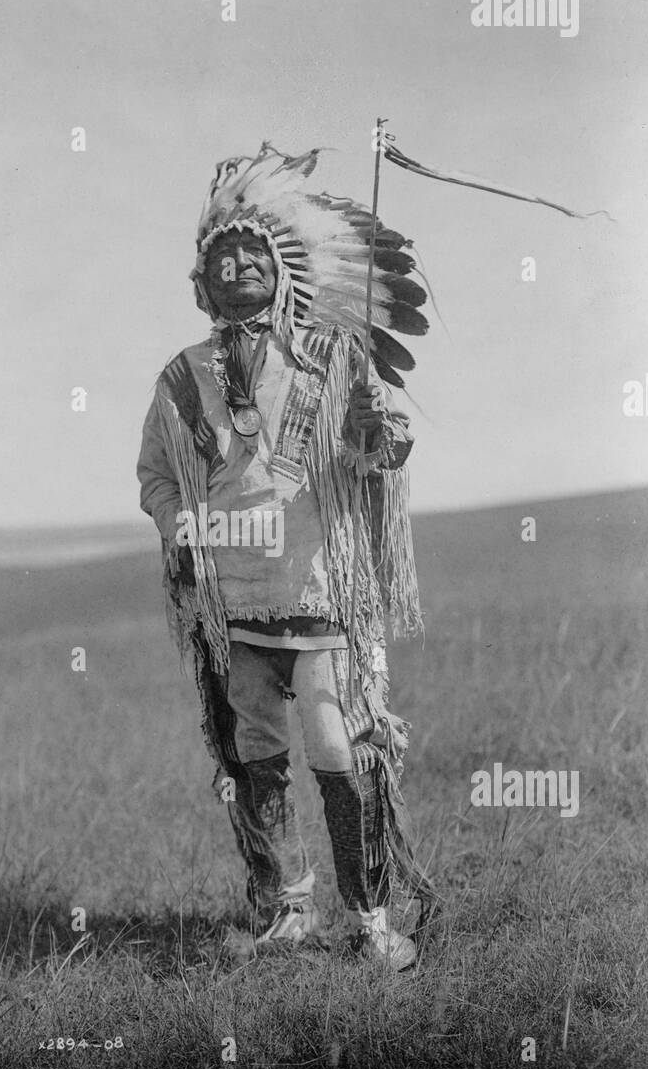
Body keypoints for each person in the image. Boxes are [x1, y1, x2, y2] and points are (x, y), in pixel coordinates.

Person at [137, 142, 436, 969]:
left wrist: (380, 441)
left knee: (339, 750)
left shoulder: (334, 355)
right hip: (231, 609)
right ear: (202, 283)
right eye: (220, 260)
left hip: (321, 593)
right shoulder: (179, 376)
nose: (236, 269)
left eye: (249, 255)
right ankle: (286, 911)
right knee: (252, 755)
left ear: (278, 267)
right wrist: (184, 529)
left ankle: (371, 919)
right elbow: (155, 477)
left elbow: (376, 460)